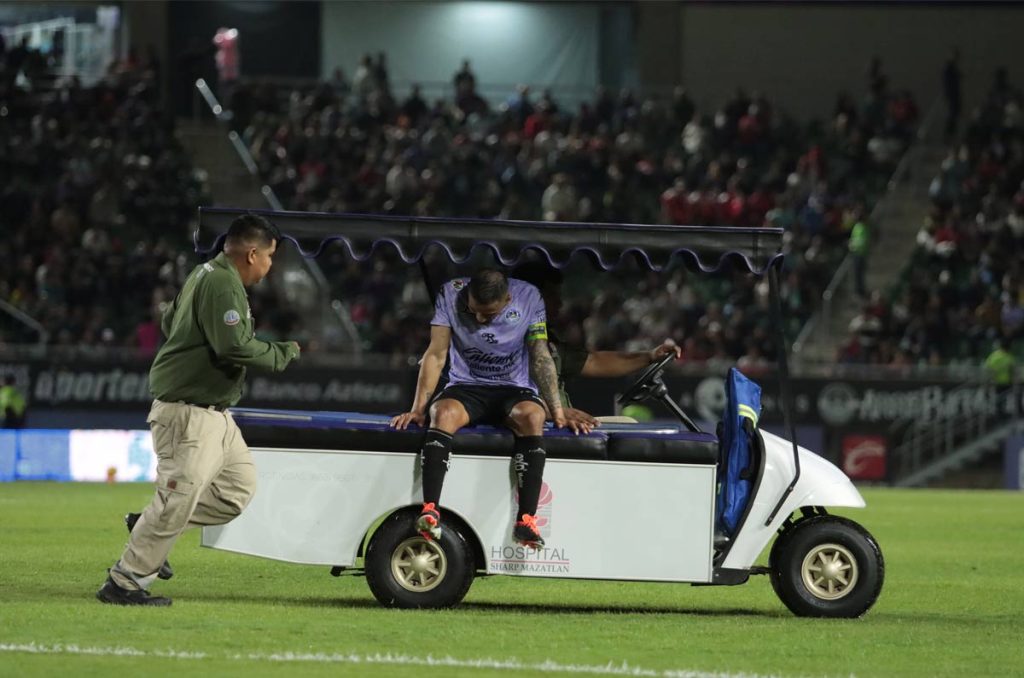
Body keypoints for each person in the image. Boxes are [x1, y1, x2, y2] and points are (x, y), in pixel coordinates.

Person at [96, 214, 302, 607]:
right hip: (189, 413)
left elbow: (170, 319)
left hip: (215, 414)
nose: (270, 266)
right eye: (271, 257)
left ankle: (147, 524)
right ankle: (123, 583)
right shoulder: (223, 284)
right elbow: (233, 347)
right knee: (177, 500)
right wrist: (281, 353)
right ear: (253, 253)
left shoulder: (204, 274)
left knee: (236, 491)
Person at [390, 269, 570, 549]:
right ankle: (430, 510)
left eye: (489, 315)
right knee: (443, 414)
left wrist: (557, 410)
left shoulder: (529, 297)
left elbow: (540, 354)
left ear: (508, 299)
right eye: (473, 311)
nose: (479, 320)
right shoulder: (450, 293)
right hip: (466, 386)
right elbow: (437, 352)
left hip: (513, 388)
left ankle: (527, 520)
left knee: (533, 416)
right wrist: (418, 409)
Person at [510, 262, 681, 430]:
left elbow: (594, 361)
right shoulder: (506, 342)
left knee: (628, 424)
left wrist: (649, 356)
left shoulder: (547, 340)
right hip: (537, 429)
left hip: (559, 425)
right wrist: (550, 412)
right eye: (551, 296)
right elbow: (499, 395)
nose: (560, 303)